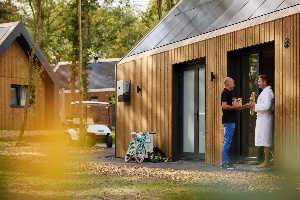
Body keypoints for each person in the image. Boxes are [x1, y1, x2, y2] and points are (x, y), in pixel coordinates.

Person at [221, 77, 250, 169]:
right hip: (228, 120)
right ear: (228, 83)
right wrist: (235, 107)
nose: (234, 85)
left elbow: (234, 107)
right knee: (227, 142)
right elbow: (224, 106)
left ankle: (226, 162)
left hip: (231, 120)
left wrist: (245, 106)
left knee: (227, 142)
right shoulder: (225, 93)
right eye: (233, 83)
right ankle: (224, 163)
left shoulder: (229, 93)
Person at [250, 75, 274, 168]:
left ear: (264, 82)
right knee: (264, 139)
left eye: (259, 81)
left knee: (266, 140)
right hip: (263, 118)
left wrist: (255, 105)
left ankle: (266, 161)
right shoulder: (264, 92)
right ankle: (270, 158)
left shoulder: (268, 92)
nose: (258, 83)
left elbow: (267, 106)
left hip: (266, 119)